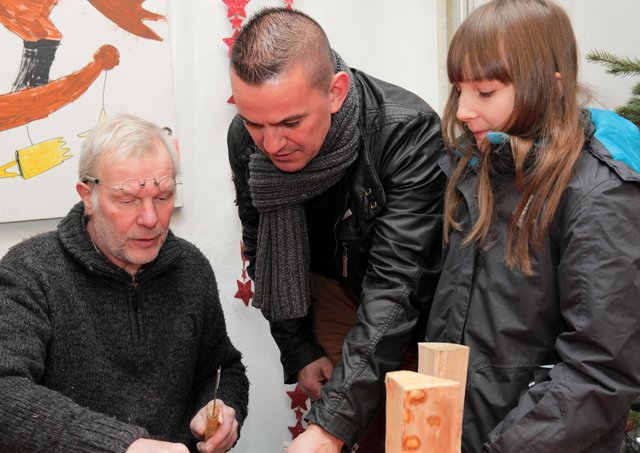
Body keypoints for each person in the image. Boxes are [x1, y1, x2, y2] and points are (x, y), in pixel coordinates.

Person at [227, 7, 445, 453]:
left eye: (291, 123)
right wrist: (300, 349)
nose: (270, 144)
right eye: (254, 123)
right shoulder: (244, 138)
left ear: (335, 92)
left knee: (400, 434)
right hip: (324, 289)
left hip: (409, 300)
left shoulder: (406, 132)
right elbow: (263, 249)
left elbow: (397, 285)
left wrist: (330, 428)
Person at [426, 0, 640, 451]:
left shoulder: (598, 193)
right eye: (459, 90)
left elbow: (600, 369)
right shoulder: (478, 166)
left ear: (551, 86)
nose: (463, 110)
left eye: (485, 92)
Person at [0, 113, 249, 453]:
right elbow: (5, 391)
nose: (150, 219)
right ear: (87, 195)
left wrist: (220, 407)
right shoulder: (31, 271)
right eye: (128, 200)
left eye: (163, 196)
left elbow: (222, 368)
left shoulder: (189, 267)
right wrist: (121, 446)